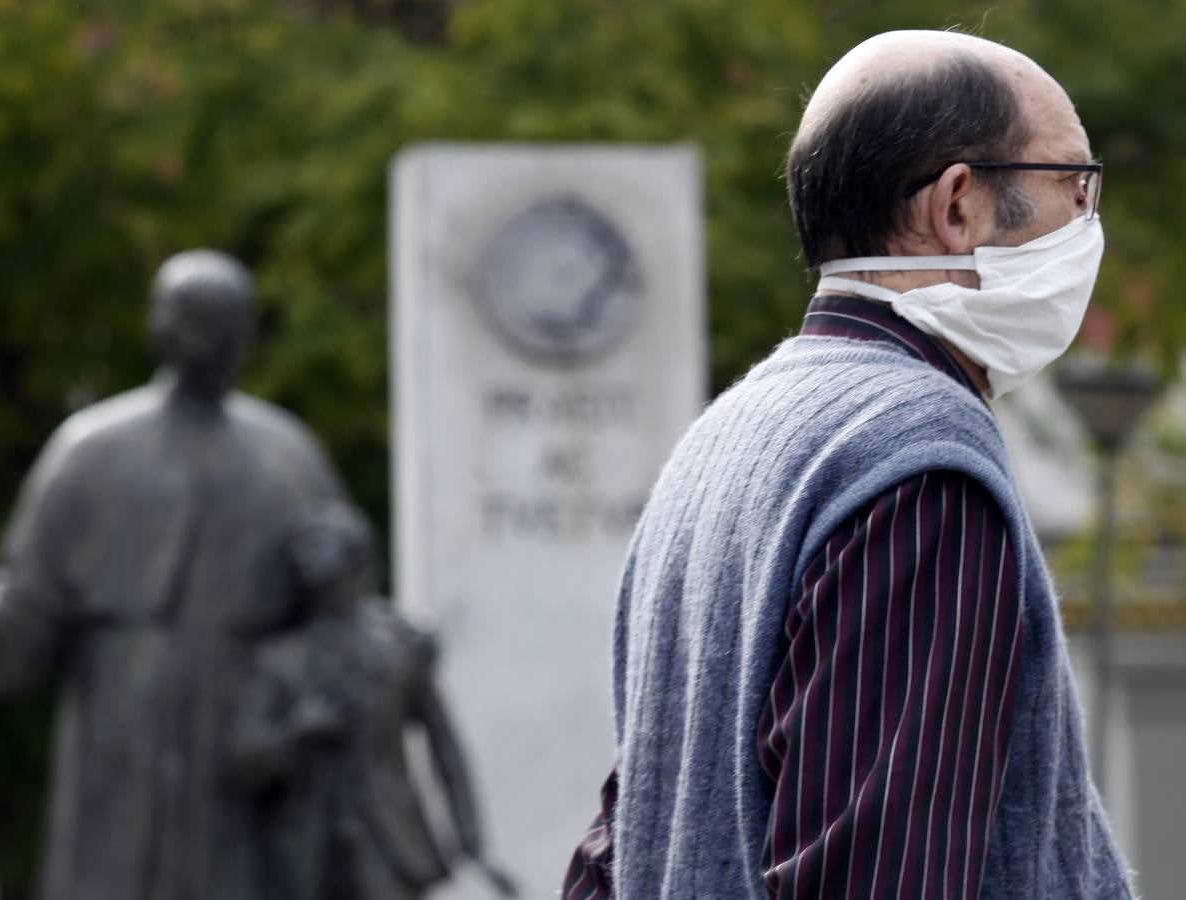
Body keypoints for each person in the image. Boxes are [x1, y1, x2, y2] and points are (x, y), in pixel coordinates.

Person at [562, 30, 1135, 899]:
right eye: (1075, 183)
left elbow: (618, 840)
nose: (1088, 221)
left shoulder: (726, 435)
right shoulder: (916, 459)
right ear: (956, 206)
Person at [0, 250, 345, 900]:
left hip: (243, 718)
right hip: (121, 709)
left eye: (228, 321)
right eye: (196, 319)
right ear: (161, 327)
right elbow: (29, 608)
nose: (213, 338)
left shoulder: (289, 457)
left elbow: (341, 608)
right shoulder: (92, 451)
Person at [230, 502, 517, 900]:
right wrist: (299, 730)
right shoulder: (281, 661)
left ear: (353, 556)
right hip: (304, 853)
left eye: (319, 545)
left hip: (389, 843)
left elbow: (445, 748)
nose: (306, 558)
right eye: (302, 549)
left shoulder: (399, 648)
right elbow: (245, 758)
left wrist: (473, 846)